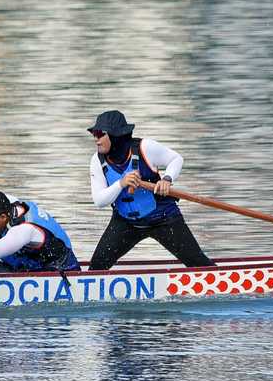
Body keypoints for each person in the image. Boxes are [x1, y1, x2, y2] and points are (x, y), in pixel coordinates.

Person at [84, 109, 212, 270]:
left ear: (115, 135)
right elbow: (99, 201)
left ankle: (216, 277)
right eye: (94, 134)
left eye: (99, 134)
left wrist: (167, 179)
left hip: (164, 219)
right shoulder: (97, 161)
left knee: (199, 265)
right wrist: (121, 184)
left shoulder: (145, 148)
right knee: (96, 269)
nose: (95, 139)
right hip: (125, 223)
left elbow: (176, 159)